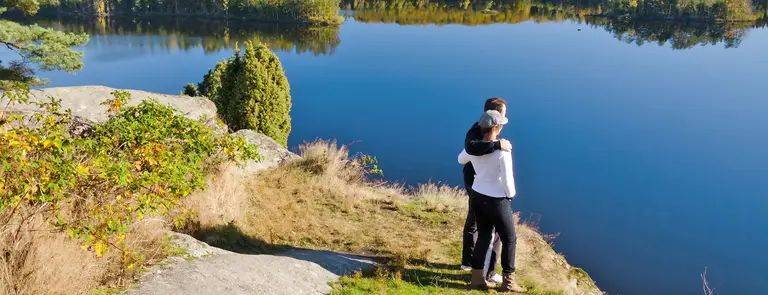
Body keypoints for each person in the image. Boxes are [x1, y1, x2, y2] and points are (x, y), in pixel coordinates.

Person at [458, 110, 526, 292]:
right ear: (498, 127)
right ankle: (508, 282)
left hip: (477, 196)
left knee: (483, 237)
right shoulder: (503, 152)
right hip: (497, 201)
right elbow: (508, 181)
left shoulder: (474, 148)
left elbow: (460, 159)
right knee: (509, 239)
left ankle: (477, 281)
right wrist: (510, 195)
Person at [460, 98, 511, 284]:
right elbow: (470, 148)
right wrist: (497, 146)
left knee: (476, 222)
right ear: (496, 115)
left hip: (478, 184)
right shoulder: (476, 131)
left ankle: (471, 263)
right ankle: (482, 268)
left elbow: (463, 156)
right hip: (478, 184)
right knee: (490, 231)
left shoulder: (483, 128)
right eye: (504, 113)